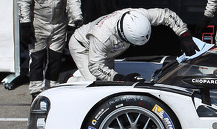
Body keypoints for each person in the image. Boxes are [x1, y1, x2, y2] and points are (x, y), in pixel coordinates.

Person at [18, 0, 83, 98]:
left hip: (59, 24)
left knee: (55, 59)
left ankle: (51, 89)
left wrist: (76, 21)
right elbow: (24, 1)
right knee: (37, 58)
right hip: (38, 24)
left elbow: (74, 0)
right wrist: (25, 24)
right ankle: (36, 91)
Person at [69, 8, 197, 82]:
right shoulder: (103, 36)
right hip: (83, 47)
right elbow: (95, 65)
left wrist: (184, 35)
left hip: (107, 50)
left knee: (109, 85)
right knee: (96, 85)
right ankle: (73, 82)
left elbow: (166, 15)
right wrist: (119, 78)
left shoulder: (139, 15)